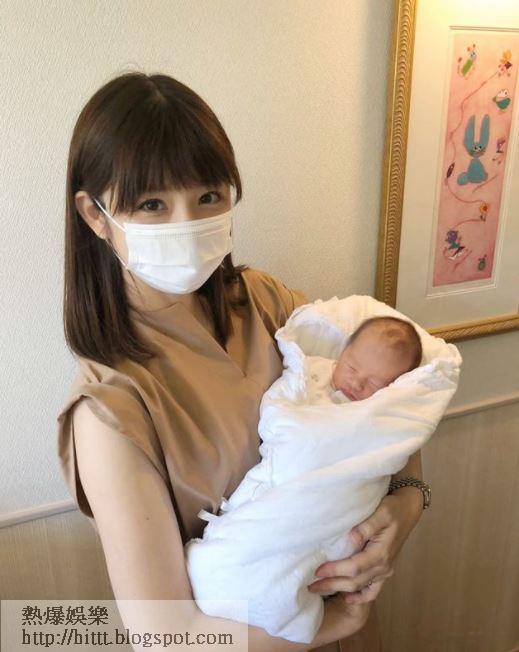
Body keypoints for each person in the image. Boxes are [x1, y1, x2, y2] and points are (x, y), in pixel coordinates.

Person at [56, 71, 427, 652]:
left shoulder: (270, 304)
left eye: (208, 196)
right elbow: (164, 634)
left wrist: (406, 506)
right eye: (152, 204)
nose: (187, 222)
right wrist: (331, 626)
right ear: (95, 215)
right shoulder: (110, 411)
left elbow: (393, 405)